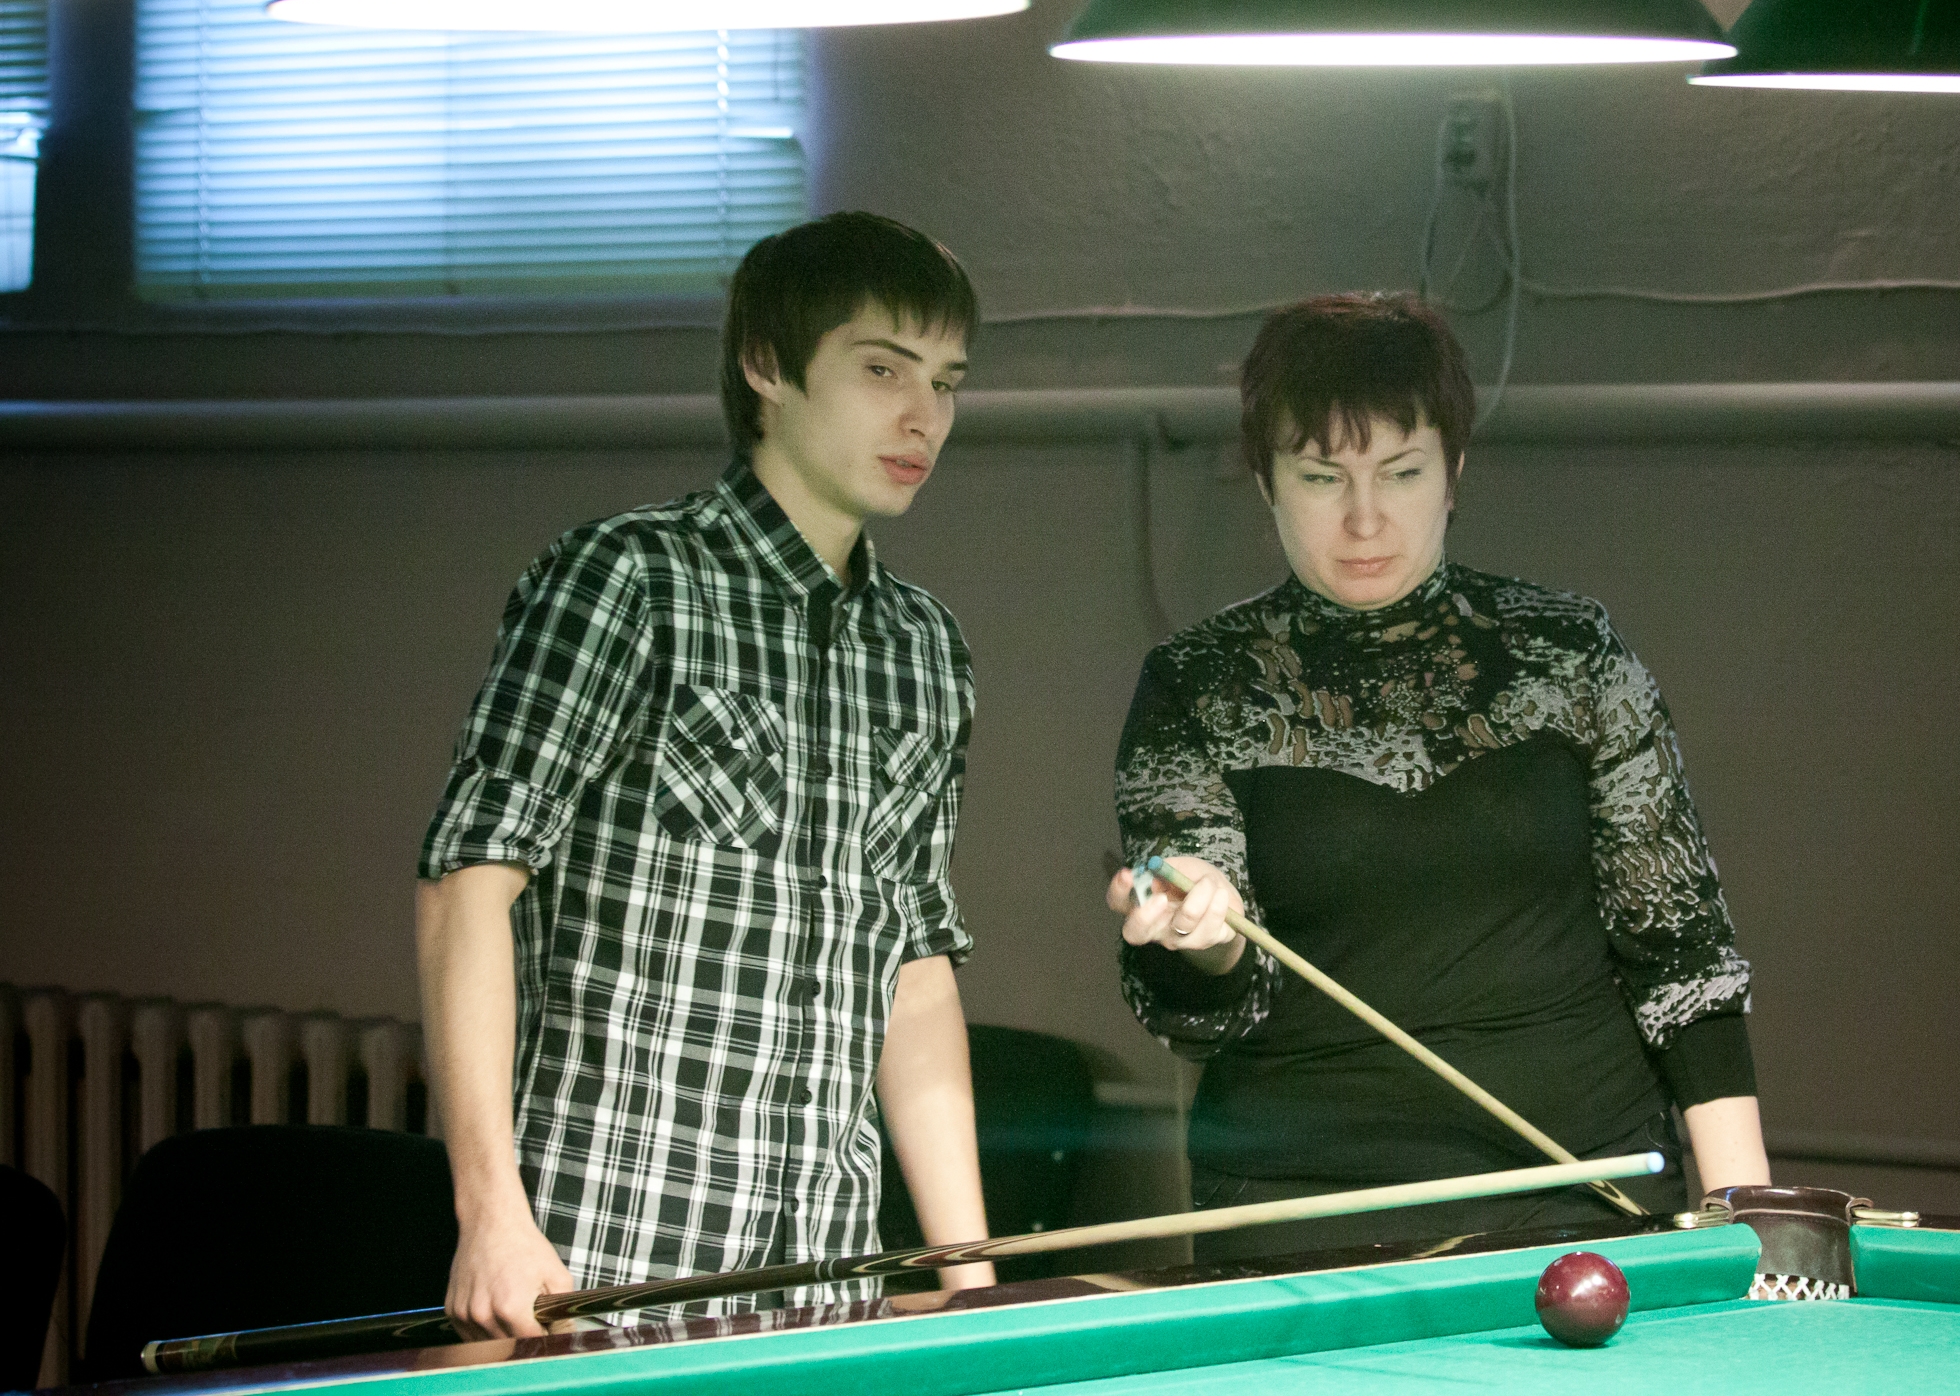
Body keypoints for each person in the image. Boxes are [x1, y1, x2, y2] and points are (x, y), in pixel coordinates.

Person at [417, 211, 995, 1339]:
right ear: (767, 366)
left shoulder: (928, 648)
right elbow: (467, 877)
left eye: (946, 382)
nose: (923, 416)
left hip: (828, 1272)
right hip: (600, 1256)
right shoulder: (628, 577)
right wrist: (490, 1213)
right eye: (882, 369)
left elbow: (914, 966)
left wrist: (969, 1271)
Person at [1105, 292, 1769, 1260]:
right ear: (1265, 481)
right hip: (1301, 1214)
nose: (1364, 518)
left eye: (1402, 472)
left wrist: (1752, 1217)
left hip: (1589, 1193)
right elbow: (1205, 1006)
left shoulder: (1570, 652)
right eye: (1321, 476)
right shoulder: (1197, 684)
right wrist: (1200, 938)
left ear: (1453, 472)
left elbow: (1684, 958)